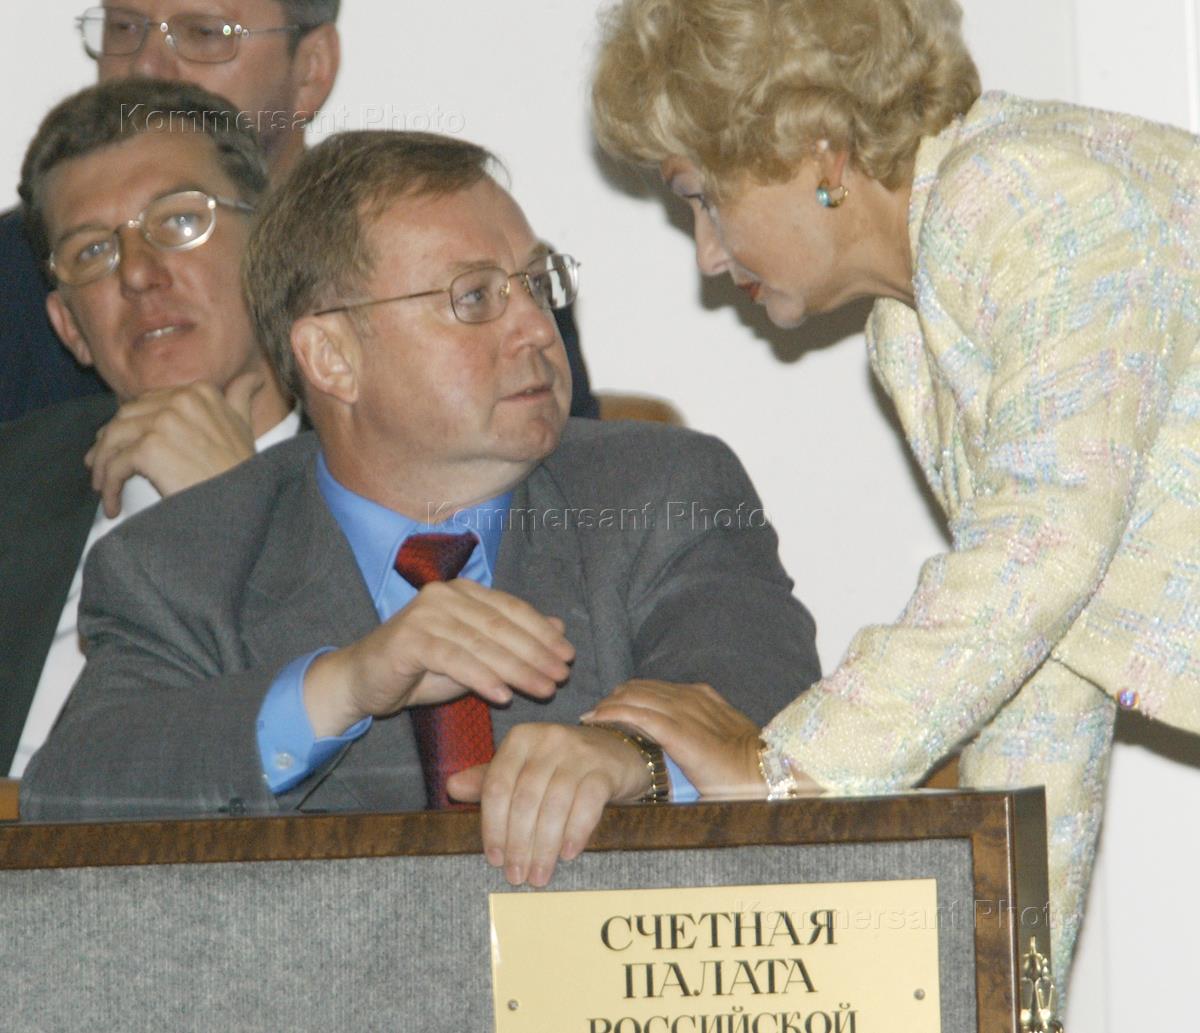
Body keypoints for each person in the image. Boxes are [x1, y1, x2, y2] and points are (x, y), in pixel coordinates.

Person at [20, 129, 822, 890]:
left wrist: (631, 759)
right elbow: (74, 789)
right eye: (474, 297)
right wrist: (342, 684)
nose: (536, 328)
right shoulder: (179, 559)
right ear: (332, 356)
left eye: (537, 284)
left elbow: (771, 702)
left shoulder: (660, 491)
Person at [588, 0, 1200, 993]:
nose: (706, 255)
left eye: (703, 199)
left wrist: (785, 773)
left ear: (819, 152)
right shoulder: (910, 334)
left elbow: (1037, 554)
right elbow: (1038, 670)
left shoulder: (1022, 197)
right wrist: (1007, 990)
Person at [1, 0, 599, 422]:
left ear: (310, 69)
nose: (145, 66)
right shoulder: (19, 271)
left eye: (205, 33)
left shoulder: (462, 271)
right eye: (124, 27)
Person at [0, 78, 298, 779]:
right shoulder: (11, 484)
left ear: (272, 249)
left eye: (179, 221)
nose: (137, 273)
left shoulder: (382, 479)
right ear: (70, 328)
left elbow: (357, 765)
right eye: (92, 252)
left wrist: (229, 509)